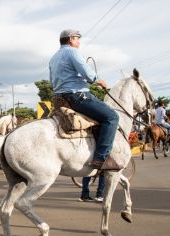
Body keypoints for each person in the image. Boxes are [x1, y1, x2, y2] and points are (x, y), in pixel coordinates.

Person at [49, 29, 119, 170]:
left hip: (59, 98)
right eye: (77, 38)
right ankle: (101, 158)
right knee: (112, 117)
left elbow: (52, 82)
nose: (78, 42)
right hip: (78, 96)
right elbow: (86, 71)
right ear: (70, 39)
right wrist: (98, 80)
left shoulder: (53, 58)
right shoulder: (72, 52)